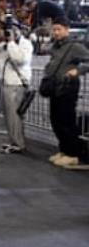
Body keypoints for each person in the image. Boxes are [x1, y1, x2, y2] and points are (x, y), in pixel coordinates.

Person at [43, 16, 89, 169]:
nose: (55, 32)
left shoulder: (75, 46)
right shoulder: (55, 46)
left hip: (68, 88)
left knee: (67, 122)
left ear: (66, 29)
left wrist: (78, 70)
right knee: (56, 121)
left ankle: (72, 154)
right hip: (55, 89)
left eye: (58, 29)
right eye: (54, 29)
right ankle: (64, 150)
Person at [0, 16, 33, 154]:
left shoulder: (25, 44)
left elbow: (20, 59)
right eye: (7, 30)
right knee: (9, 115)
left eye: (13, 29)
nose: (10, 32)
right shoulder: (4, 44)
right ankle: (14, 141)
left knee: (14, 115)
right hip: (6, 83)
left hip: (16, 84)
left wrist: (12, 43)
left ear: (19, 30)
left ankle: (19, 144)